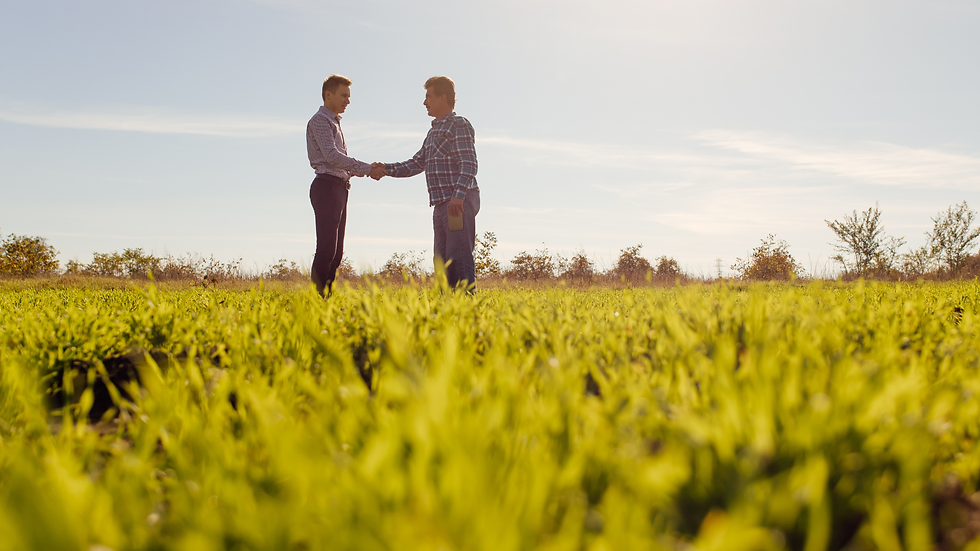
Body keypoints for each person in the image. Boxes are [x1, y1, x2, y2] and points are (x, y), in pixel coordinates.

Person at [370, 76, 480, 289]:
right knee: (442, 263)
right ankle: (447, 312)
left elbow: (469, 163)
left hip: (457, 202)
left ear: (443, 98)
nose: (425, 102)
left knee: (459, 261)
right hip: (440, 204)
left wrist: (458, 196)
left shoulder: (459, 124)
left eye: (428, 96)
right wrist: (385, 168)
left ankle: (466, 312)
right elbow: (416, 163)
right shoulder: (433, 132)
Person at [306, 74, 373, 297]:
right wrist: (366, 167)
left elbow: (335, 160)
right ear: (328, 94)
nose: (348, 101)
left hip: (339, 187)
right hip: (326, 187)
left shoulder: (334, 121)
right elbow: (332, 156)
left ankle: (327, 296)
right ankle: (318, 298)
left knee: (336, 251)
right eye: (344, 95)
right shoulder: (320, 121)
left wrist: (351, 171)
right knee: (326, 248)